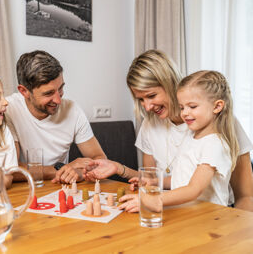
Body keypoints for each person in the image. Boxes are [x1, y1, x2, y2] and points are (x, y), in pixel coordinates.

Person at [84, 49, 253, 211]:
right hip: (174, 211)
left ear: (170, 83)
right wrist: (119, 168)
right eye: (140, 99)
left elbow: (244, 196)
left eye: (151, 96)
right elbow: (158, 180)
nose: (147, 107)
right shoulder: (151, 125)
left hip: (211, 216)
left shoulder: (217, 127)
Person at [6, 50, 106, 184]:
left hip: (60, 189)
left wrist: (81, 173)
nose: (58, 100)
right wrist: (62, 169)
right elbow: (11, 168)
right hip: (23, 190)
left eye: (60, 89)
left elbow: (100, 159)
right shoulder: (7, 110)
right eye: (49, 93)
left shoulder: (73, 110)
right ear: (24, 91)